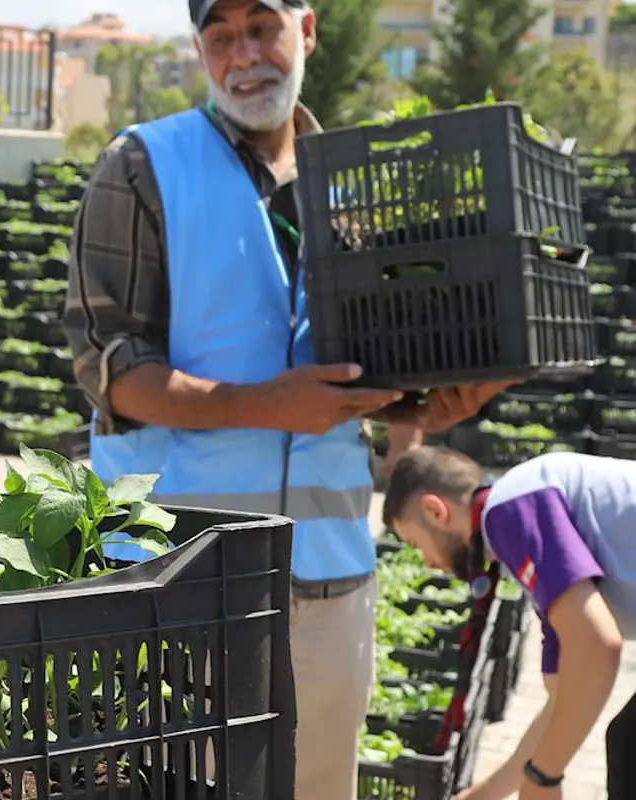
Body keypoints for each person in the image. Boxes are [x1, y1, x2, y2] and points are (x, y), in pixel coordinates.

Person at [61, 0, 510, 796]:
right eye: (221, 36)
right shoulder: (141, 166)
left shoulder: (356, 184)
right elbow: (110, 369)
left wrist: (423, 408)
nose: (244, 55)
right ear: (200, 48)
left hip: (332, 580)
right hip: (185, 580)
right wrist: (267, 403)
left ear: (305, 31)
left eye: (263, 27)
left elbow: (360, 375)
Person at [384, 447, 634, 800]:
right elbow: (563, 702)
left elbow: (598, 646)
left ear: (435, 511)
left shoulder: (511, 509)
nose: (427, 562)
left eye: (415, 543)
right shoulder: (524, 520)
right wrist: (482, 796)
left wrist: (544, 775)